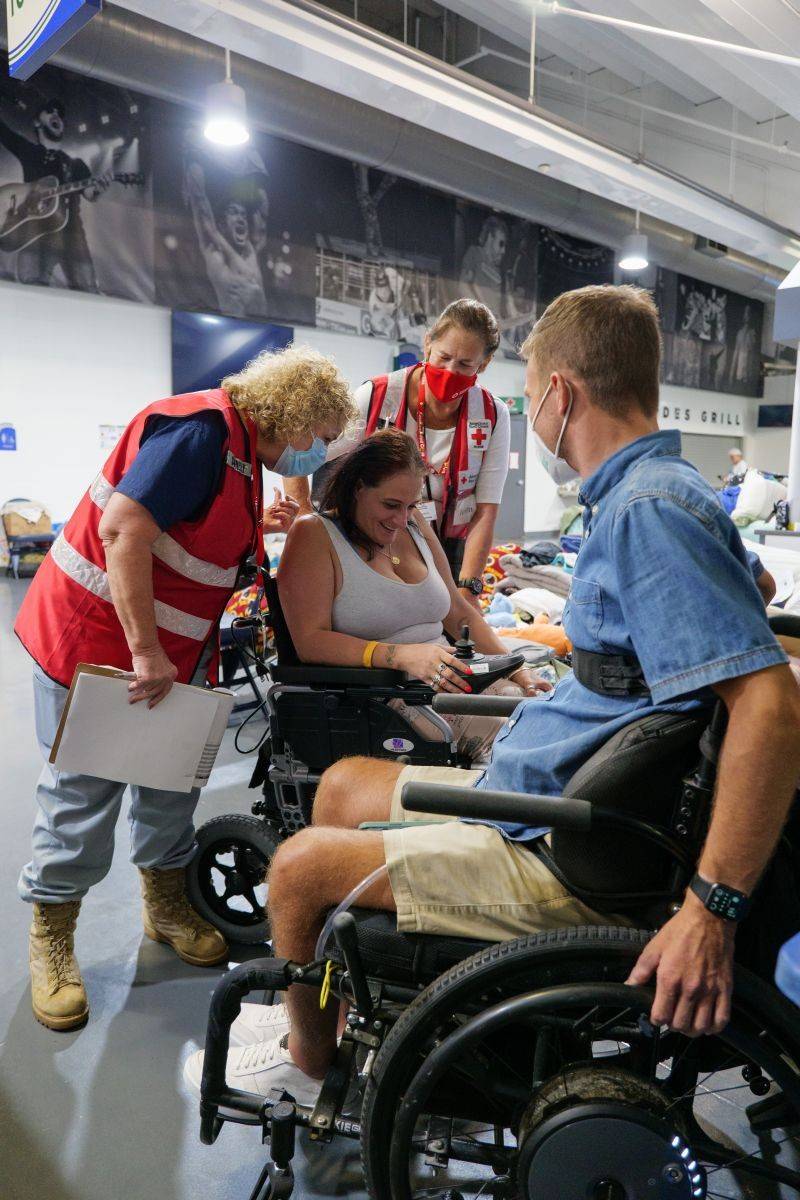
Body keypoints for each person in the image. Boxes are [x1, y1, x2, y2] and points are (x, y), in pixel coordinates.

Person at [184, 284, 800, 1102]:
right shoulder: (663, 494)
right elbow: (753, 597)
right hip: (554, 790)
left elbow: (768, 703)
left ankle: (311, 1061)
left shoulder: (649, 511)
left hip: (577, 847)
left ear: (558, 393)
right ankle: (334, 1001)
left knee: (295, 869)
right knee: (339, 785)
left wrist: (710, 909)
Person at [14, 344, 356, 1032]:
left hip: (171, 653)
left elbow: (188, 533)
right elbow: (123, 531)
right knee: (84, 794)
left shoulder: (238, 450)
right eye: (319, 436)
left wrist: (258, 531)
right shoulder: (199, 432)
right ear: (292, 416)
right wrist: (144, 650)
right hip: (102, 644)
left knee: (171, 784)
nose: (316, 451)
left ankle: (165, 903)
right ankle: (52, 936)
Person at [278, 429, 548, 761]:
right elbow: (310, 642)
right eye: (390, 505)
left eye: (411, 505)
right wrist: (402, 656)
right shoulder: (314, 535)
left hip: (448, 677)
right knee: (520, 742)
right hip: (384, 695)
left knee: (543, 714)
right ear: (357, 488)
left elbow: (458, 613)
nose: (401, 519)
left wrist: (517, 669)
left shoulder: (412, 523)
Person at [286, 299, 511, 602]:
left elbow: (486, 510)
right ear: (427, 344)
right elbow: (298, 456)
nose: (449, 370)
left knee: (458, 632)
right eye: (443, 357)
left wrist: (469, 587)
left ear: (483, 364)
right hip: (375, 544)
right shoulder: (376, 398)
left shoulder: (492, 415)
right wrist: (303, 524)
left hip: (450, 547)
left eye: (465, 365)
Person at [0, 96, 108, 290]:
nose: (56, 114)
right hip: (36, 233)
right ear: (36, 122)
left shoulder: (75, 164)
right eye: (50, 110)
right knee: (32, 291)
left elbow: (91, 194)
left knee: (88, 291)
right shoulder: (29, 151)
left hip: (72, 235)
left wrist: (100, 187)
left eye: (60, 113)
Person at [184, 160, 267, 318]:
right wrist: (193, 156)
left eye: (243, 214)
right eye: (234, 213)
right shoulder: (214, 252)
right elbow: (199, 201)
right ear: (221, 224)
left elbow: (263, 211)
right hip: (229, 335)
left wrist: (255, 168)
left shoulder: (252, 251)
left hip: (269, 338)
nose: (241, 218)